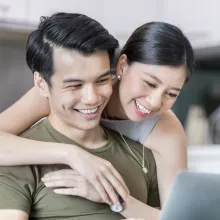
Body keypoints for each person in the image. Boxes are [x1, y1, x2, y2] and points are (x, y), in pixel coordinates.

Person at [0, 12, 194, 208]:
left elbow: (179, 215)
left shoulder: (165, 129)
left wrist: (117, 200)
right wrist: (72, 154)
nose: (154, 102)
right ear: (122, 66)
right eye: (149, 83)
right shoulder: (64, 93)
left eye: (171, 94)